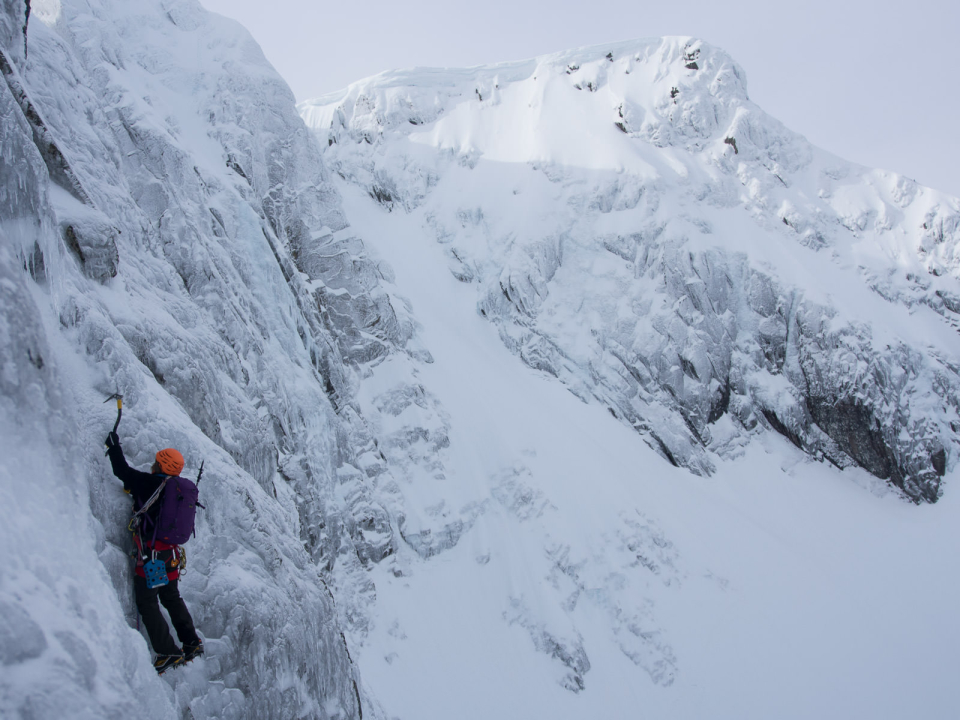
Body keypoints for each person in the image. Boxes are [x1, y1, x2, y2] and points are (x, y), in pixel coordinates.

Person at [105, 431, 203, 674]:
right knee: (171, 597)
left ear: (160, 465)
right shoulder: (177, 489)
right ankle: (191, 643)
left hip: (151, 557)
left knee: (147, 601)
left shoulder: (150, 484)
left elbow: (123, 472)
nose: (153, 463)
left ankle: (168, 652)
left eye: (157, 461)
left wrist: (114, 445)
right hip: (170, 555)